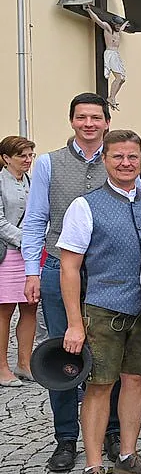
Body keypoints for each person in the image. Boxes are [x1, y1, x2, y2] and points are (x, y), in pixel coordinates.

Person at [57, 131, 141, 474]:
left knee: (135, 381)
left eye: (133, 156)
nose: (126, 163)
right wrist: (74, 323)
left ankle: (128, 455)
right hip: (102, 309)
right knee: (99, 386)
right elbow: (69, 268)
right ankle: (93, 466)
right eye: (118, 157)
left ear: (140, 158)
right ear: (105, 160)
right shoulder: (85, 206)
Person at [22, 93, 121, 472]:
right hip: (57, 269)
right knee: (63, 353)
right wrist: (32, 269)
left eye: (96, 117)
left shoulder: (118, 158)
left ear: (106, 122)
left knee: (107, 352)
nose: (89, 123)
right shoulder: (48, 163)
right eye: (82, 117)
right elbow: (35, 221)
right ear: (72, 121)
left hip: (105, 271)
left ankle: (111, 431)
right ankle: (66, 438)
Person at [0, 136, 37, 386]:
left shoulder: (30, 181)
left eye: (30, 155)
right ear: (5, 158)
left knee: (30, 307)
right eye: (21, 155)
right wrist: (26, 239)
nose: (27, 160)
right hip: (7, 253)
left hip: (30, 256)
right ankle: (2, 366)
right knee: (5, 311)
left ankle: (24, 363)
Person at [84, 6, 129, 110]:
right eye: (117, 25)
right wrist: (89, 10)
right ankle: (111, 98)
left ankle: (112, 97)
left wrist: (126, 23)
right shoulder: (108, 28)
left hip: (116, 54)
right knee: (118, 77)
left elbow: (122, 27)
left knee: (122, 79)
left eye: (120, 26)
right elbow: (97, 20)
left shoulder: (118, 31)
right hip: (110, 53)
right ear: (114, 24)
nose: (119, 27)